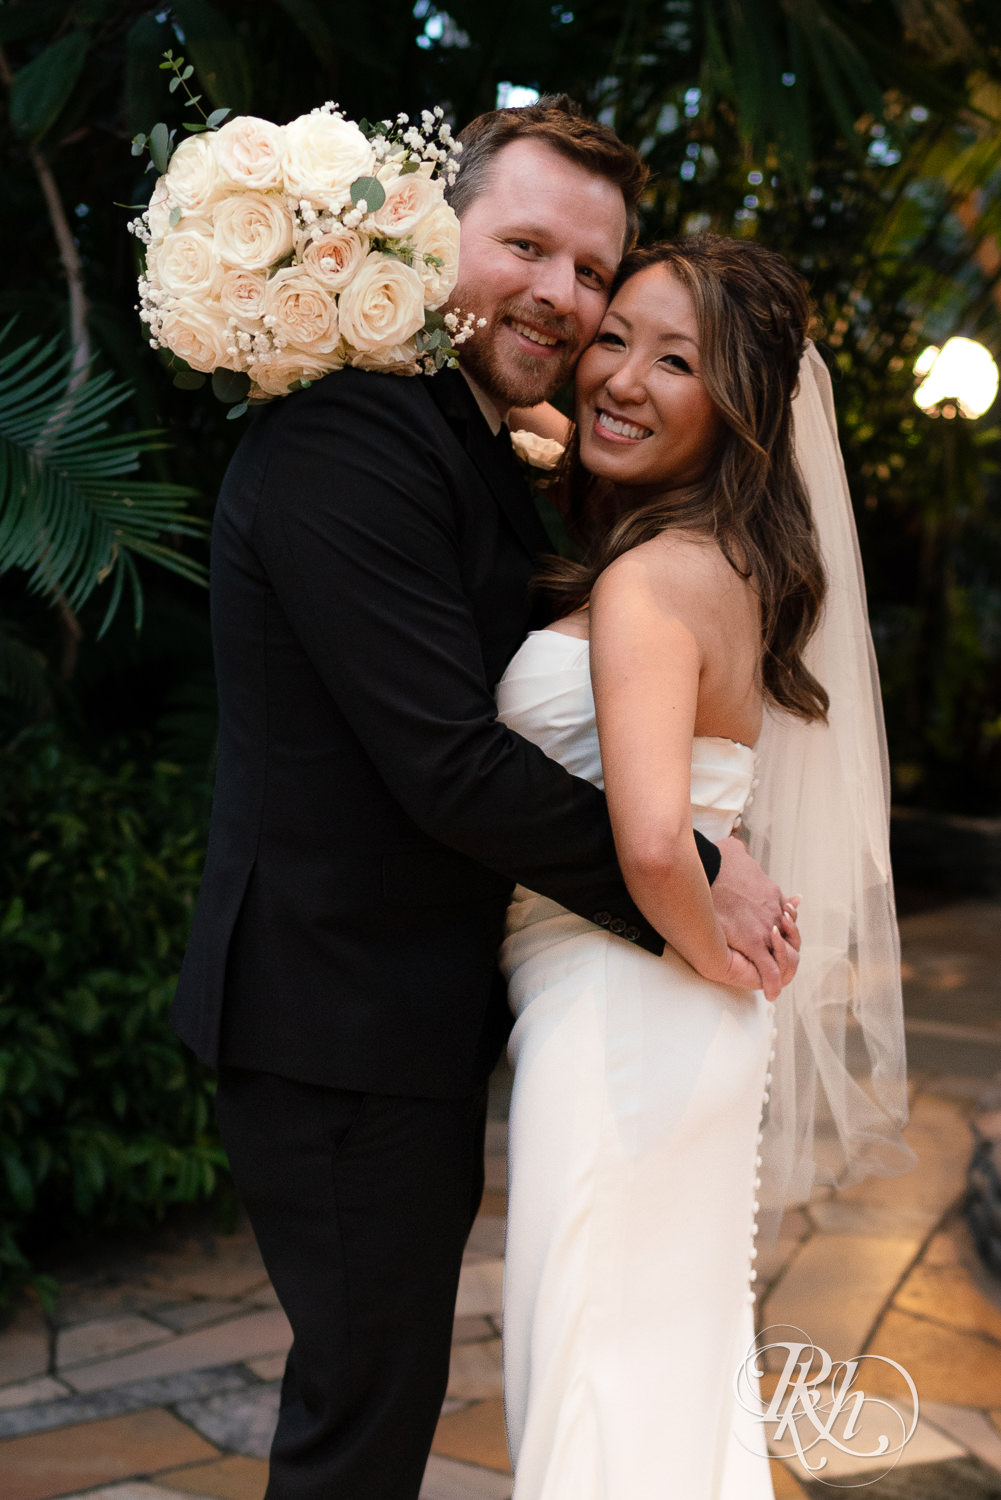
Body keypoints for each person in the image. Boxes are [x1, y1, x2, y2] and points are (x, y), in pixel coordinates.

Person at [170, 100, 799, 1499]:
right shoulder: (352, 443)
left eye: (590, 271)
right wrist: (690, 869)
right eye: (526, 246)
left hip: (410, 1020)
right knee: (364, 1417)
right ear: (435, 235)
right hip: (331, 1015)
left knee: (399, 1400)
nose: (562, 298)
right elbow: (449, 765)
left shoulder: (473, 448)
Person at [496, 236, 912, 1499]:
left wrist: (697, 940)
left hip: (622, 1007)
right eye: (611, 337)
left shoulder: (643, 581)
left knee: (587, 1402)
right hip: (678, 1014)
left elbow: (641, 836)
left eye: (674, 360)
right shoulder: (726, 570)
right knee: (665, 1399)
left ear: (734, 409)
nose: (617, 375)